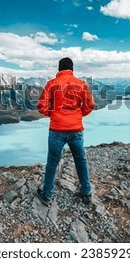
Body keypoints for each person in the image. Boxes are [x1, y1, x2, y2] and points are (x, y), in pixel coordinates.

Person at [36, 57, 95, 206]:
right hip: (76, 128)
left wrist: (53, 114)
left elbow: (41, 106)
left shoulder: (51, 84)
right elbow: (90, 105)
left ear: (59, 69)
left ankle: (47, 194)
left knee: (52, 162)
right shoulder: (81, 84)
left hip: (57, 129)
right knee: (80, 159)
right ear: (72, 69)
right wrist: (78, 115)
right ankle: (86, 192)